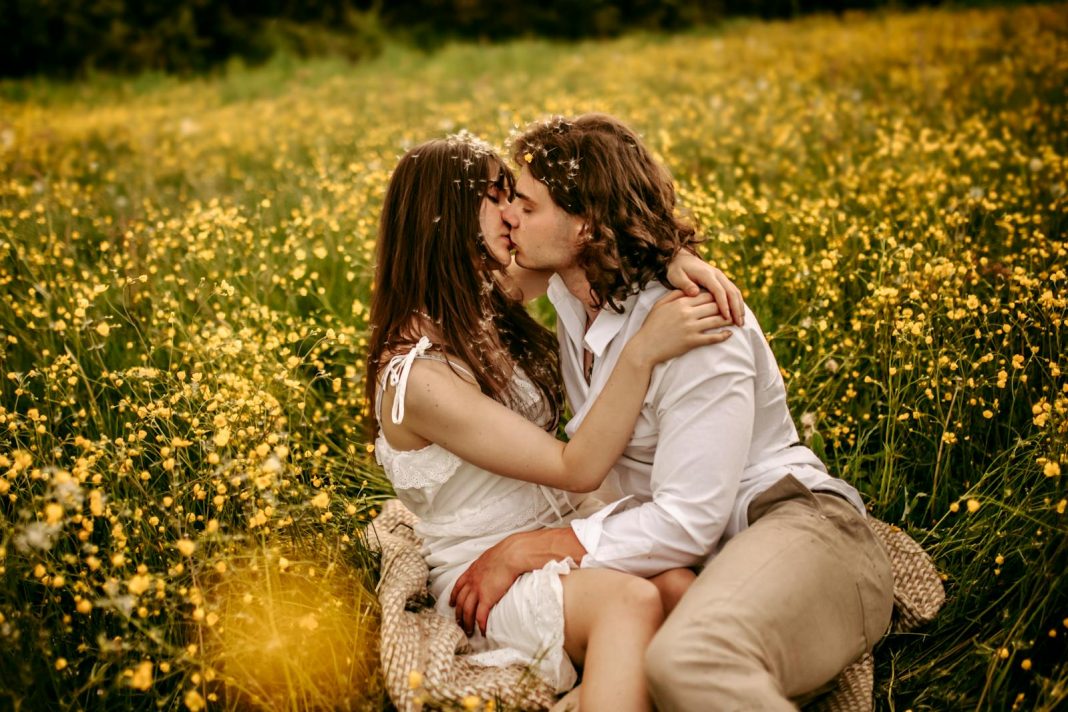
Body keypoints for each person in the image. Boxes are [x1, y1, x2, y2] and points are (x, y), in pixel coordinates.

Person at [451, 114, 896, 710]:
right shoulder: (570, 291)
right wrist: (671, 254)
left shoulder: (697, 322)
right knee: (653, 663)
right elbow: (454, 274)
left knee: (686, 661)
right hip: (699, 564)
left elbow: (689, 522)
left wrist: (525, 550)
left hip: (794, 527)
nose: (510, 217)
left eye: (527, 206)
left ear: (586, 226)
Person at [365, 131, 743, 711]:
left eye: (515, 196)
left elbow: (584, 251)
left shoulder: (479, 302)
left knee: (679, 585)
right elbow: (577, 467)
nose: (512, 212)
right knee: (631, 602)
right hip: (485, 573)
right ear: (445, 215)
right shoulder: (418, 378)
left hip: (555, 533)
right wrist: (642, 351)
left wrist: (675, 260)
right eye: (495, 196)